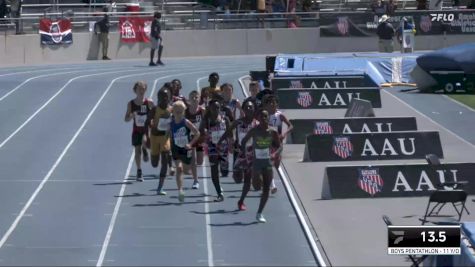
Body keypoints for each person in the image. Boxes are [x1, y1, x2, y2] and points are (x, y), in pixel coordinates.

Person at [239, 109, 282, 223]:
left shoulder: (272, 132)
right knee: (257, 187)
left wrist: (274, 154)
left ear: (268, 118)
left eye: (265, 116)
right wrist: (245, 155)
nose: (264, 119)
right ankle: (260, 182)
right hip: (256, 163)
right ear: (258, 119)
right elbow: (243, 141)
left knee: (266, 189)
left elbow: (280, 147)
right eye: (261, 117)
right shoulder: (254, 131)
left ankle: (259, 213)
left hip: (267, 162)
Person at [219, 100, 257, 191]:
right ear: (243, 109)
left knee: (255, 180)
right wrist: (220, 141)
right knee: (237, 179)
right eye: (246, 107)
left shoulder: (257, 123)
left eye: (250, 107)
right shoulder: (238, 122)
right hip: (240, 150)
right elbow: (228, 131)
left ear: (254, 109)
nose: (248, 108)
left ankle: (254, 178)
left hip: (253, 151)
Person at [170, 101, 201, 202]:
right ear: (173, 112)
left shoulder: (186, 122)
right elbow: (167, 137)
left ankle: (193, 177)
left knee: (186, 169)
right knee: (179, 169)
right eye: (176, 112)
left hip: (186, 149)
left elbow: (197, 133)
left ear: (183, 112)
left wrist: (190, 144)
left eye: (180, 112)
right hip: (176, 149)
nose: (178, 114)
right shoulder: (171, 124)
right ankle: (180, 190)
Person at [262, 94, 293, 194]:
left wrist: (284, 133)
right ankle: (272, 185)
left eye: (274, 104)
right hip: (267, 142)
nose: (272, 106)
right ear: (266, 105)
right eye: (270, 104)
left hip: (278, 142)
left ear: (276, 105)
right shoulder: (264, 115)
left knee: (277, 163)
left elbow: (291, 126)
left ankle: (266, 181)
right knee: (269, 163)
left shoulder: (280, 115)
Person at [200, 99, 229, 202]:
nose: (216, 109)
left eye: (217, 107)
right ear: (210, 109)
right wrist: (205, 133)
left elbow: (229, 132)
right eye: (213, 107)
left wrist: (232, 142)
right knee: (214, 170)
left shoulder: (224, 118)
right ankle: (219, 193)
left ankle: (222, 174)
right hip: (212, 147)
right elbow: (201, 130)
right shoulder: (206, 120)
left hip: (224, 147)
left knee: (225, 171)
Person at [124, 81, 153, 181]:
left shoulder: (149, 102)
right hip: (136, 130)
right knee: (137, 151)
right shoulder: (131, 104)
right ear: (135, 90)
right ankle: (139, 171)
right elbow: (126, 119)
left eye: (143, 88)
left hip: (146, 129)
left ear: (145, 90)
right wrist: (132, 115)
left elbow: (155, 114)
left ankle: (144, 149)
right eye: (139, 89)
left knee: (144, 141)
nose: (141, 91)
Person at [149, 88, 172, 195]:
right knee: (154, 163)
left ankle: (160, 187)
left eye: (166, 96)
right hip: (154, 137)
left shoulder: (171, 109)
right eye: (162, 96)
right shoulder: (154, 109)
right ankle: (154, 156)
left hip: (165, 137)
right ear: (158, 98)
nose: (164, 98)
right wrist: (146, 138)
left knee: (164, 162)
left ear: (169, 98)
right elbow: (146, 123)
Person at [184, 90, 206, 188]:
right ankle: (196, 181)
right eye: (192, 97)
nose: (194, 99)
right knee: (193, 159)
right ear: (189, 100)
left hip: (200, 138)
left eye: (196, 97)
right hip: (190, 138)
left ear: (199, 99)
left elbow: (207, 121)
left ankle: (191, 169)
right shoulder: (185, 111)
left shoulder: (202, 110)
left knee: (200, 161)